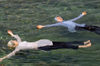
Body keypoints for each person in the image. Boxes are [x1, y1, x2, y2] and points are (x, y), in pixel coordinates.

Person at [0, 30, 91, 62]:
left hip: (42, 43)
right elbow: (11, 54)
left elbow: (17, 36)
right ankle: (85, 46)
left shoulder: (19, 43)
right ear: (14, 44)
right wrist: (3, 58)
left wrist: (11, 34)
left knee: (64, 42)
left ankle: (83, 42)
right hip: (43, 47)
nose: (14, 40)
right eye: (13, 41)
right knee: (64, 46)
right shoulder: (18, 48)